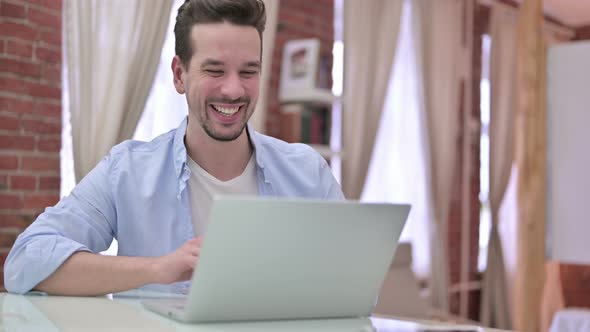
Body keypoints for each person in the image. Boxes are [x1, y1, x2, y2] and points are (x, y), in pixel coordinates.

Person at [4, 0, 343, 296]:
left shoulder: (308, 173)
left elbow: (353, 287)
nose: (233, 89)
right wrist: (157, 269)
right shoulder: (127, 170)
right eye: (215, 70)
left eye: (248, 71)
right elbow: (25, 262)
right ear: (180, 75)